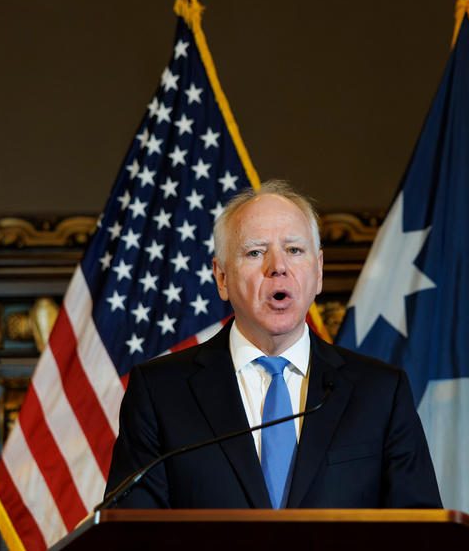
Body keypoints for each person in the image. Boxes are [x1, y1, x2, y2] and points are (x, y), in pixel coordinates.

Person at [104, 179, 442, 509]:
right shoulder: (160, 392)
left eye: (294, 250)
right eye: (255, 252)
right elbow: (132, 532)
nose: (278, 267)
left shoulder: (381, 392)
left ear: (318, 271)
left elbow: (421, 531)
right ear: (222, 278)